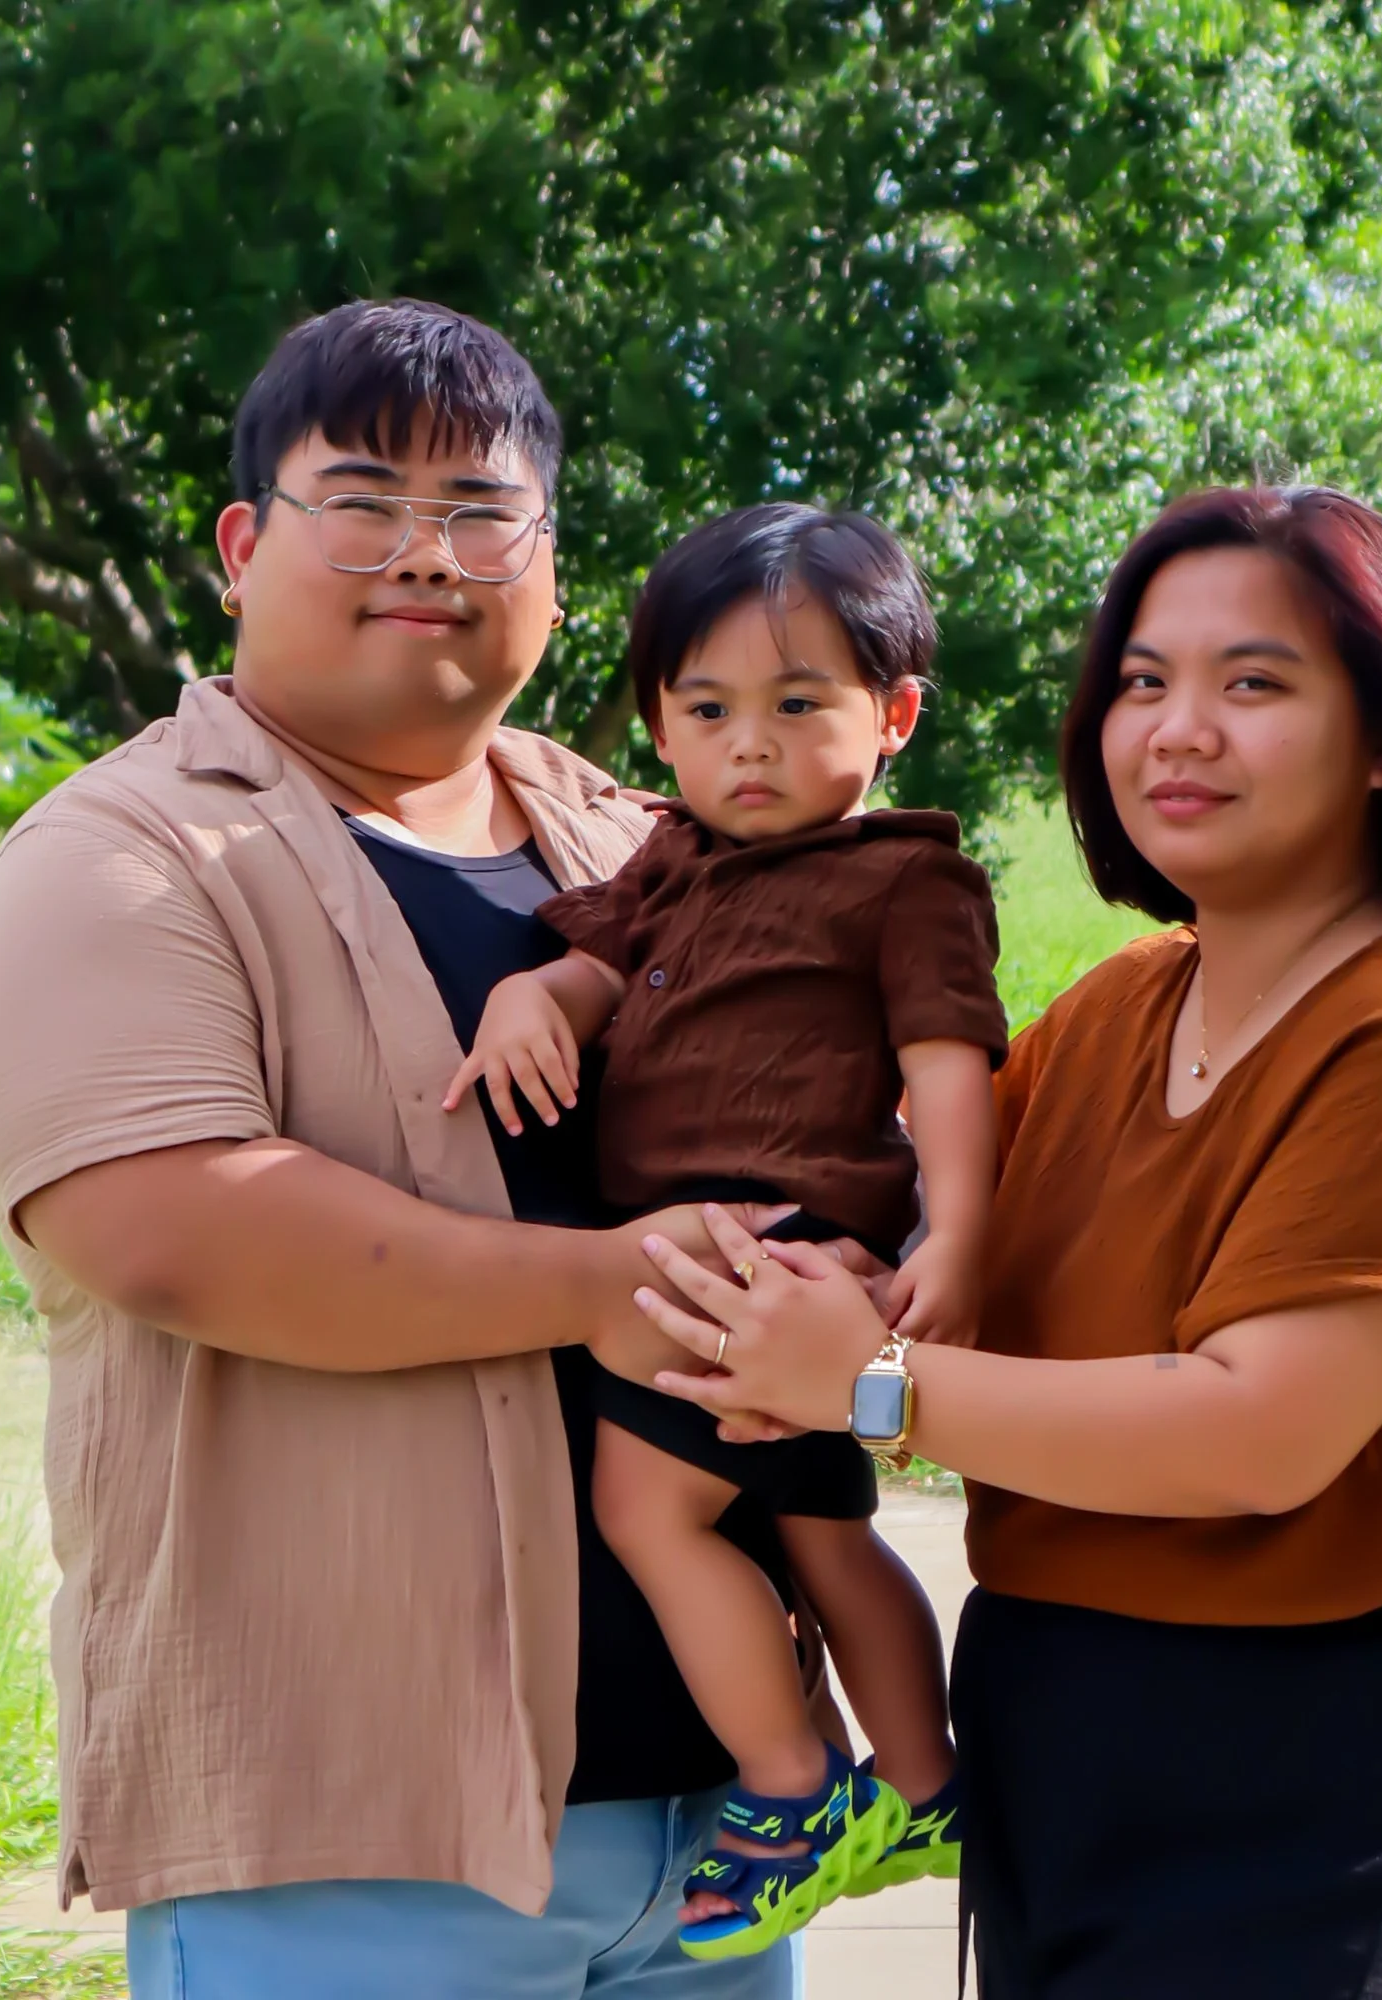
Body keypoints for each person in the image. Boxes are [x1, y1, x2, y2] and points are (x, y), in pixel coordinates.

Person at [0, 298, 839, 2000]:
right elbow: (171, 1228)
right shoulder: (126, 859)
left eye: (479, 514)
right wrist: (605, 1289)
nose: (426, 555)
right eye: (362, 501)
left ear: (550, 567)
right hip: (354, 1853)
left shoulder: (648, 833)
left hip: (718, 1839)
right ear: (240, 546)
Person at [627, 485, 1382, 1997]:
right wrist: (835, 1298)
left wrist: (865, 1382)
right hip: (1064, 1723)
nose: (1177, 730)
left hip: (1344, 1757)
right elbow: (959, 1268)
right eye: (1145, 682)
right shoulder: (1113, 1015)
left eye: (1252, 683)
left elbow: (1257, 1435)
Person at [448, 504, 1004, 1959]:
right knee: (820, 1534)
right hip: (711, 1247)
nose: (748, 743)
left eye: (797, 704)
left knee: (646, 1509)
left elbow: (949, 1062)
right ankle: (932, 1782)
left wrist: (959, 1226)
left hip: (762, 1250)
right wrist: (531, 1002)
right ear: (661, 720)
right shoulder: (677, 855)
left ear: (893, 717)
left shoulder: (907, 879)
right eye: (709, 708)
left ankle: (791, 1784)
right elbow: (593, 963)